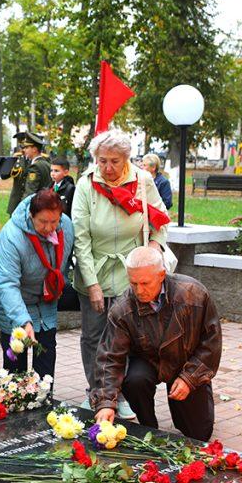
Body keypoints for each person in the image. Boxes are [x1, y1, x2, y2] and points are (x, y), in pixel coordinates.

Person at [73, 129, 176, 420]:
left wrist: (152, 251)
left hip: (132, 272)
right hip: (94, 266)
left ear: (127, 158)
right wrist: (92, 284)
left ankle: (120, 395)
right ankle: (97, 392)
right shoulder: (86, 185)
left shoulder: (143, 181)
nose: (107, 168)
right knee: (94, 335)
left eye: (114, 161)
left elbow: (160, 221)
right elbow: (81, 238)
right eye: (102, 161)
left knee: (128, 336)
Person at [92, 246, 221, 441]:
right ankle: (148, 427)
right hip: (148, 360)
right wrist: (106, 402)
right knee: (135, 380)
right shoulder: (122, 308)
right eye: (133, 283)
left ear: (162, 275)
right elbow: (109, 357)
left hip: (185, 361)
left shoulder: (193, 294)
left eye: (145, 283)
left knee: (199, 434)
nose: (139, 290)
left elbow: (211, 342)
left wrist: (190, 378)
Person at [0, 189, 72, 378]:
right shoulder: (13, 236)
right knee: (17, 347)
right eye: (43, 222)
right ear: (31, 216)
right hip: (7, 291)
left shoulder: (66, 227)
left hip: (44, 292)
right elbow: (7, 284)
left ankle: (44, 395)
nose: (49, 228)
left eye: (54, 222)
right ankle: (14, 393)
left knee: (46, 343)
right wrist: (23, 320)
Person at [7, 131, 52, 214]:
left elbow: (30, 191)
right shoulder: (46, 163)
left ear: (34, 149)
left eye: (27, 147)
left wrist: (22, 210)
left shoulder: (35, 166)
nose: (24, 150)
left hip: (33, 207)